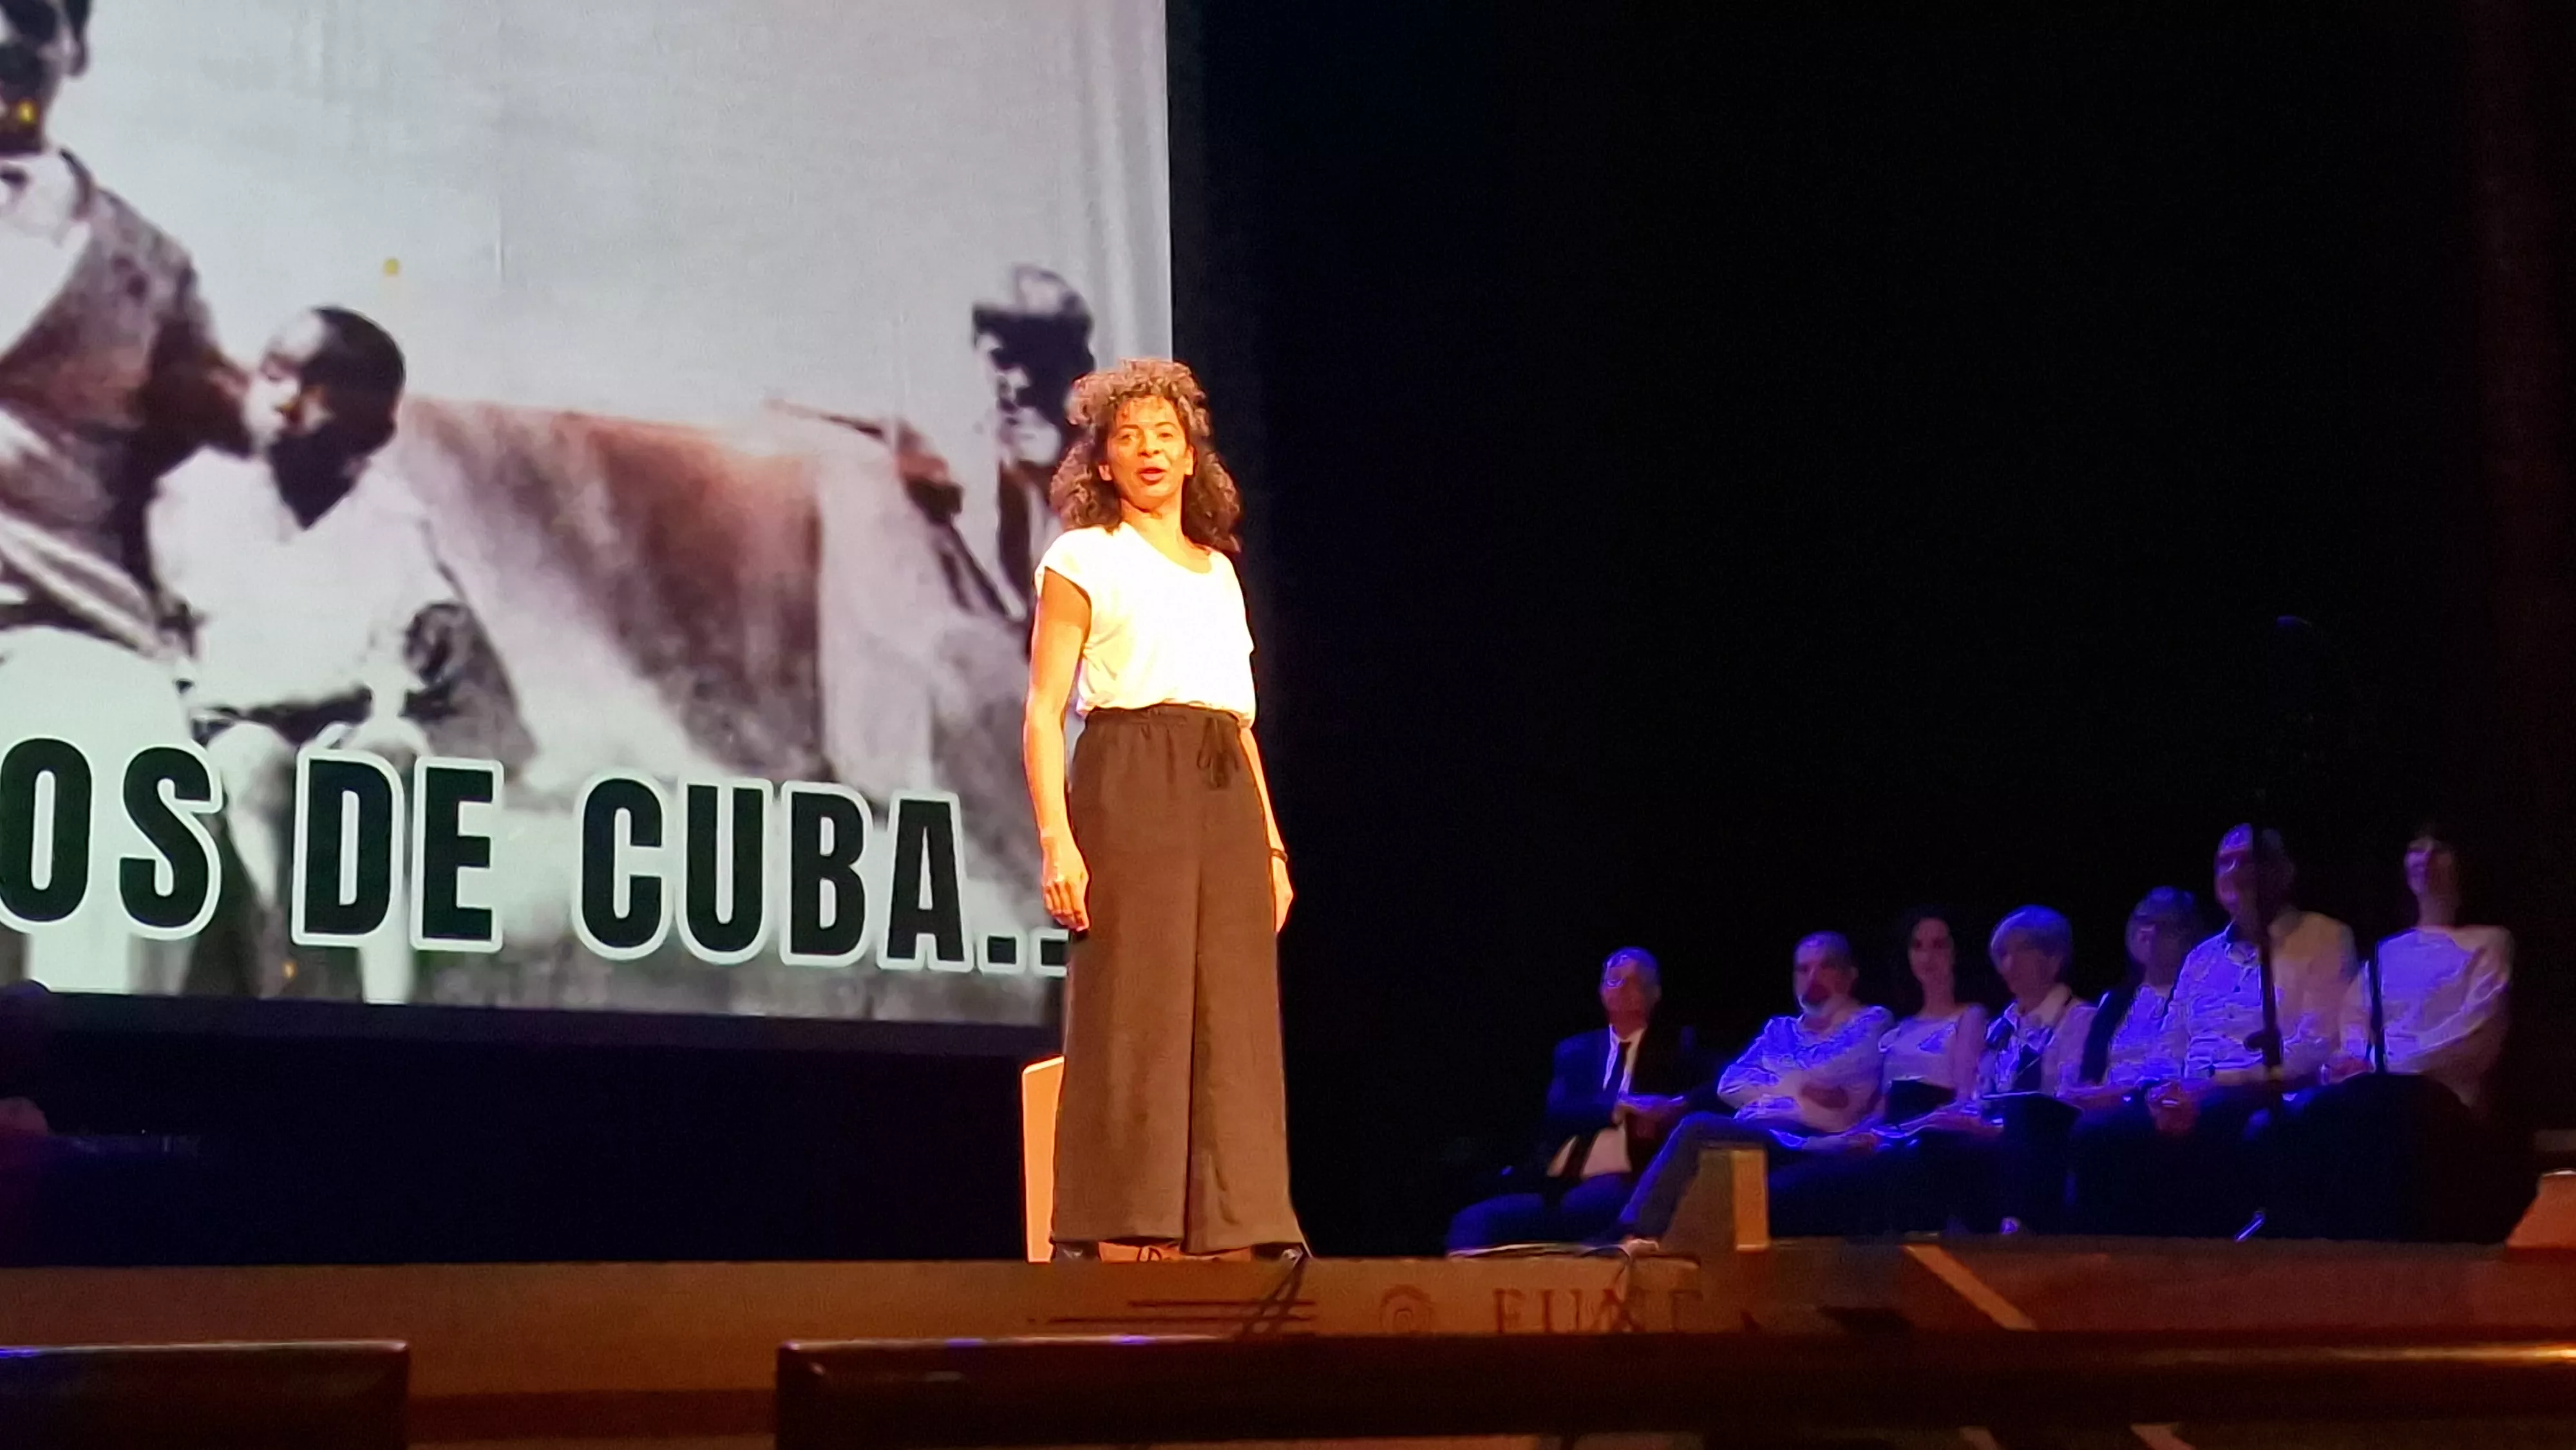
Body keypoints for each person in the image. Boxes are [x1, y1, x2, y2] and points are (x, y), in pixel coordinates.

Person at [1023, 357, 1301, 1260]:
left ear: (1190, 456)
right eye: (1128, 437)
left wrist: (1271, 850)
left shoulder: (1218, 571)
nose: (1149, 450)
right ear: (1101, 462)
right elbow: (1042, 712)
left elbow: (1239, 719)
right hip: (1130, 774)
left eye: (1165, 436)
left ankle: (1246, 1220)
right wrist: (1057, 840)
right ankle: (1101, 1220)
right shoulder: (1082, 558)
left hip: (1221, 783)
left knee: (1235, 1009)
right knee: (1132, 1001)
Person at [0, 0, 242, 989]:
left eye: (30, 11)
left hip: (61, 629)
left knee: (129, 779)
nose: (2, 37)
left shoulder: (152, 263)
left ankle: (90, 1113)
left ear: (77, 47)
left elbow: (230, 458)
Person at [150, 308, 470, 1001]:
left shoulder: (391, 513)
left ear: (375, 429)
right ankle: (273, 996)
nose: (287, 400)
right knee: (250, 775)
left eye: (322, 390)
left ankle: (398, 1018)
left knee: (386, 769)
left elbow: (425, 597)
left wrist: (438, 616)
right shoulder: (191, 496)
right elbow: (156, 612)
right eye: (274, 375)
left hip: (350, 719)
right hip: (236, 719)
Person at [2066, 827, 2356, 1236]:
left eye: (2248, 859)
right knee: (2096, 1134)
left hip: (2261, 1094)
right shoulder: (2202, 957)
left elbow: (2317, 1047)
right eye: (2225, 862)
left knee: (2218, 1120)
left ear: (2283, 872)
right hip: (2187, 1095)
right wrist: (2158, 1093)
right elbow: (2168, 1048)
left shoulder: (2323, 938)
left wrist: (2213, 1086)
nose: (2234, 870)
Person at [2254, 824, 2527, 1240]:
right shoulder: (2388, 950)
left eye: (2441, 848)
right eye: (2417, 848)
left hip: (2445, 1101)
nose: (2427, 858)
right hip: (2374, 1097)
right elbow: (2355, 1021)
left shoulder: (2489, 942)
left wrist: (2384, 1069)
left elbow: (2476, 1037)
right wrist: (2357, 1066)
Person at [1615, 933, 1891, 1243]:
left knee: (1696, 1126)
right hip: (1757, 1130)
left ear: (1849, 975)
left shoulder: (1872, 1021)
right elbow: (1729, 1084)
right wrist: (1802, 1087)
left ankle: (1633, 1231)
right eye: (1803, 969)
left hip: (1810, 1138)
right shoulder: (1780, 1028)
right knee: (1700, 1147)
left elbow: (1824, 1072)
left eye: (1825, 967)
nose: (1812, 978)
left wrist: (1773, 1072)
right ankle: (1650, 1246)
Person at [1447, 948, 1716, 1252]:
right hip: (1556, 1181)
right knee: (1471, 1221)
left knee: (1587, 1206)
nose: (1624, 989)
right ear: (1602, 991)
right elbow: (1557, 1115)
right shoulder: (1575, 1051)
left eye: (1635, 981)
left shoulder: (1677, 1048)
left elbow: (1722, 1088)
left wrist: (1672, 1105)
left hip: (1625, 1182)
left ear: (1655, 994)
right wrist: (1619, 1106)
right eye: (1615, 981)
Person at [1896, 905, 2098, 1234]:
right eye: (2003, 954)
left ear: (2053, 959)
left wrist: (1997, 1126)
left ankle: (2018, 1229)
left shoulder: (2078, 1018)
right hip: (1993, 1133)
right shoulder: (2001, 1026)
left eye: (2022, 951)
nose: (2009, 964)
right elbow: (1982, 1092)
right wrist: (1960, 1117)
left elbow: (2065, 1099)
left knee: (2023, 1118)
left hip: (2043, 1139)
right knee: (1928, 1141)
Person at [974, 267, 1095, 617]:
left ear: (1080, 367)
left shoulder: (1113, 483)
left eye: (1041, 361)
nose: (1022, 382)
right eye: (1002, 360)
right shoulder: (959, 482)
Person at [2067, 887, 2204, 1111]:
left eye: (2164, 925)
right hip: (2102, 1113)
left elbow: (2179, 1071)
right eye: (2142, 922)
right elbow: (2090, 1073)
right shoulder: (2114, 1001)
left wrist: (2120, 1095)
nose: (2148, 933)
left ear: (2188, 936)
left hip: (2159, 1110)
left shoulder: (2195, 997)